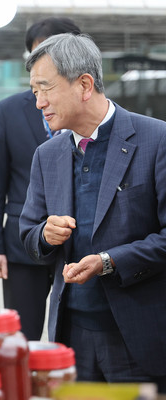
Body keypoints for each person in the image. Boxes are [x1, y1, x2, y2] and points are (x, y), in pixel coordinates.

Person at [20, 33, 166, 391]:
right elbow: (27, 231)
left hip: (137, 335)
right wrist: (44, 234)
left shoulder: (156, 140)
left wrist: (108, 260)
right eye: (34, 91)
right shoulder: (48, 154)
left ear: (84, 84)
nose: (38, 102)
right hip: (70, 335)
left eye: (45, 89)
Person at [0, 17, 81, 340]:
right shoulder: (8, 110)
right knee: (21, 341)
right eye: (34, 55)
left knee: (71, 340)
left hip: (78, 248)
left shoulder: (87, 107)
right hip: (20, 246)